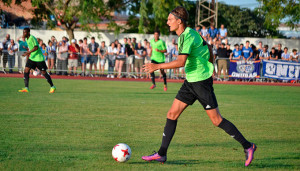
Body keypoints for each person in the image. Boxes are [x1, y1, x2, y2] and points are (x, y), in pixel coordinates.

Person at [142, 6, 256, 167]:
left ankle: (248, 146)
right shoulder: (189, 34)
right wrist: (210, 65)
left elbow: (181, 62)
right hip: (191, 81)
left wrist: (157, 66)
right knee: (172, 114)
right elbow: (208, 47)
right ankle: (161, 154)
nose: (167, 23)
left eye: (170, 19)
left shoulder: (187, 36)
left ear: (179, 21)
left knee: (217, 120)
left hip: (201, 82)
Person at [18, 28, 56, 93]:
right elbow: (32, 47)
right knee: (26, 70)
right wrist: (28, 51)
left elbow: (36, 47)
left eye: (25, 32)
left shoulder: (32, 38)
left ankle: (52, 86)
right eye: (23, 32)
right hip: (32, 57)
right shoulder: (27, 39)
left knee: (43, 72)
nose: (24, 33)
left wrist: (28, 52)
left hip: (38, 58)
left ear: (28, 32)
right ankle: (26, 88)